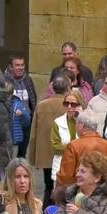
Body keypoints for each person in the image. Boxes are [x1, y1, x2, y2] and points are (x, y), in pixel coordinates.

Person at [29, 77, 69, 206]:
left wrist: (33, 156)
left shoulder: (42, 105)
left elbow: (34, 133)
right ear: (67, 88)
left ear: (53, 88)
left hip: (46, 153)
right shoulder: (70, 106)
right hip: (65, 151)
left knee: (49, 185)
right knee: (65, 185)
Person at [57, 109, 107, 186]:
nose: (75, 126)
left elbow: (66, 176)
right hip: (104, 190)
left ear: (82, 125)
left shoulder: (73, 146)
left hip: (81, 191)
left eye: (76, 123)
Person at [5, 55, 38, 158]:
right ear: (11, 67)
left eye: (22, 65)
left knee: (22, 154)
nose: (21, 68)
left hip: (26, 124)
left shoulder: (28, 79)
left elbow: (33, 99)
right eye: (17, 65)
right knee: (10, 155)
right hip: (11, 124)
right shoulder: (4, 81)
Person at [51, 89, 86, 183]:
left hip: (80, 167)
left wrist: (80, 119)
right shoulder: (58, 122)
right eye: (67, 103)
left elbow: (88, 143)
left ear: (79, 105)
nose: (69, 107)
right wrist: (74, 147)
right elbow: (55, 147)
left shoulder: (86, 123)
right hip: (61, 166)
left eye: (73, 104)